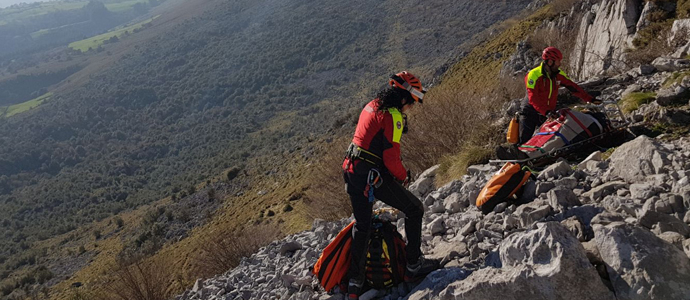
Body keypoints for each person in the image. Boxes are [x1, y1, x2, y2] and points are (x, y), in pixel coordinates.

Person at [342, 71, 439, 299]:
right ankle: (413, 266)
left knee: (363, 225)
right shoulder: (393, 116)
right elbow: (391, 159)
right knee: (414, 209)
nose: (412, 107)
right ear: (404, 97)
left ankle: (355, 284)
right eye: (412, 102)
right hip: (371, 175)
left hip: (351, 169)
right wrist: (404, 176)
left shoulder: (372, 105)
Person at [519, 46, 601, 144]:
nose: (560, 64)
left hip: (548, 112)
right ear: (550, 62)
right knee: (524, 139)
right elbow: (533, 99)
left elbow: (574, 88)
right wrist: (547, 112)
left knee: (545, 140)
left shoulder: (558, 74)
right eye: (558, 61)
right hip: (530, 110)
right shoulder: (533, 75)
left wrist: (590, 99)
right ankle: (515, 156)